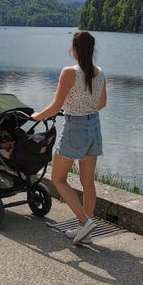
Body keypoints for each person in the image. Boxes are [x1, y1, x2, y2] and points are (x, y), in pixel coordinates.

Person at [31, 30, 107, 245]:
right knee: (88, 182)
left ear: (74, 49)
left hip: (75, 129)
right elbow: (101, 103)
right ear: (92, 50)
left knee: (58, 178)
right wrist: (85, 105)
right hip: (94, 127)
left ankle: (85, 221)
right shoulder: (99, 73)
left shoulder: (69, 72)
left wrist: (36, 117)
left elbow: (56, 107)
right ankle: (86, 231)